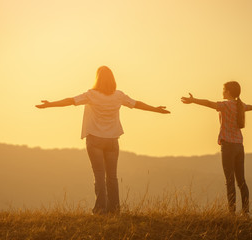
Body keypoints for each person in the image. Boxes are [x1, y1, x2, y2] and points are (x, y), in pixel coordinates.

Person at [36, 66, 170, 214]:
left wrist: (49, 104)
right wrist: (156, 109)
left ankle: (100, 210)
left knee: (99, 175)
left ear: (97, 79)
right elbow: (137, 104)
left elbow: (70, 101)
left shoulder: (91, 95)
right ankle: (114, 209)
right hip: (112, 141)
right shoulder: (119, 96)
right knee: (112, 177)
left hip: (95, 140)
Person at [181, 81, 252, 215]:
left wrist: (193, 100)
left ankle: (232, 213)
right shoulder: (240, 105)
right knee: (241, 181)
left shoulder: (225, 105)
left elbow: (208, 103)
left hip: (228, 146)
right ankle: (246, 212)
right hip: (239, 146)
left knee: (229, 180)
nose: (222, 91)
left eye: (224, 89)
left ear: (229, 92)